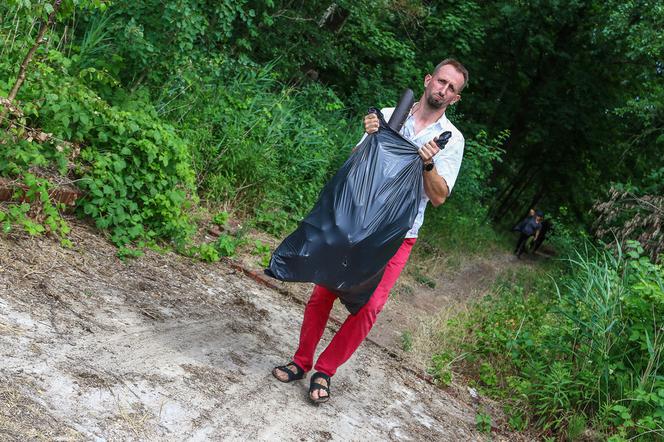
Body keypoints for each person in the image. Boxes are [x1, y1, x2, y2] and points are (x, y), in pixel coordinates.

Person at [272, 59, 468, 404]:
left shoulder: (450, 140)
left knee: (369, 307)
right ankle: (302, 361)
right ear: (428, 80)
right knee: (324, 291)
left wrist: (427, 163)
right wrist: (369, 135)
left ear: (456, 99)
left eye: (452, 89)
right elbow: (355, 162)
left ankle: (325, 370)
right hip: (358, 221)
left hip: (398, 235)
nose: (443, 90)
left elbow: (438, 197)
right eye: (441, 82)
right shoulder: (392, 114)